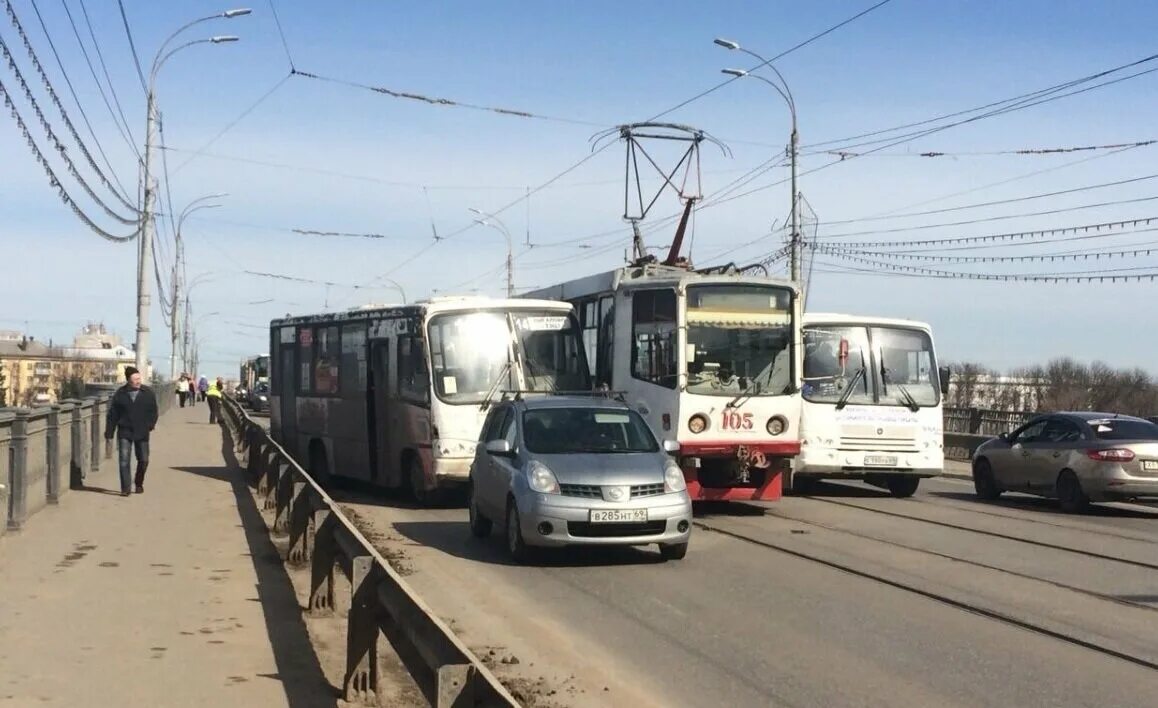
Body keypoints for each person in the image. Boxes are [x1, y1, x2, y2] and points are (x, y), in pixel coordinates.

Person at [104, 366, 159, 496]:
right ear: (128, 380)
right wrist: (109, 433)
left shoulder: (147, 393)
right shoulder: (120, 394)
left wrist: (150, 425)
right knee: (124, 461)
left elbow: (154, 411)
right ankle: (125, 488)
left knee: (144, 460)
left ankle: (138, 482)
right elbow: (113, 415)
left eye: (139, 378)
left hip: (142, 431)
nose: (138, 381)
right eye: (135, 379)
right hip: (125, 431)